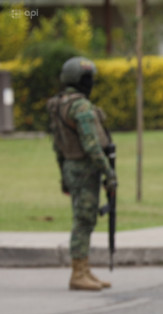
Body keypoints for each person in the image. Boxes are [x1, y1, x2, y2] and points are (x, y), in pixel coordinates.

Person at [47, 57, 116, 291]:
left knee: (84, 219)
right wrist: (109, 173)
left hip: (70, 166)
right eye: (87, 79)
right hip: (85, 170)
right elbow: (92, 146)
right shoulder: (81, 106)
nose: (91, 83)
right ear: (78, 80)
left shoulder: (58, 104)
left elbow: (58, 145)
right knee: (83, 221)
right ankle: (78, 273)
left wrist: (63, 175)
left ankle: (84, 269)